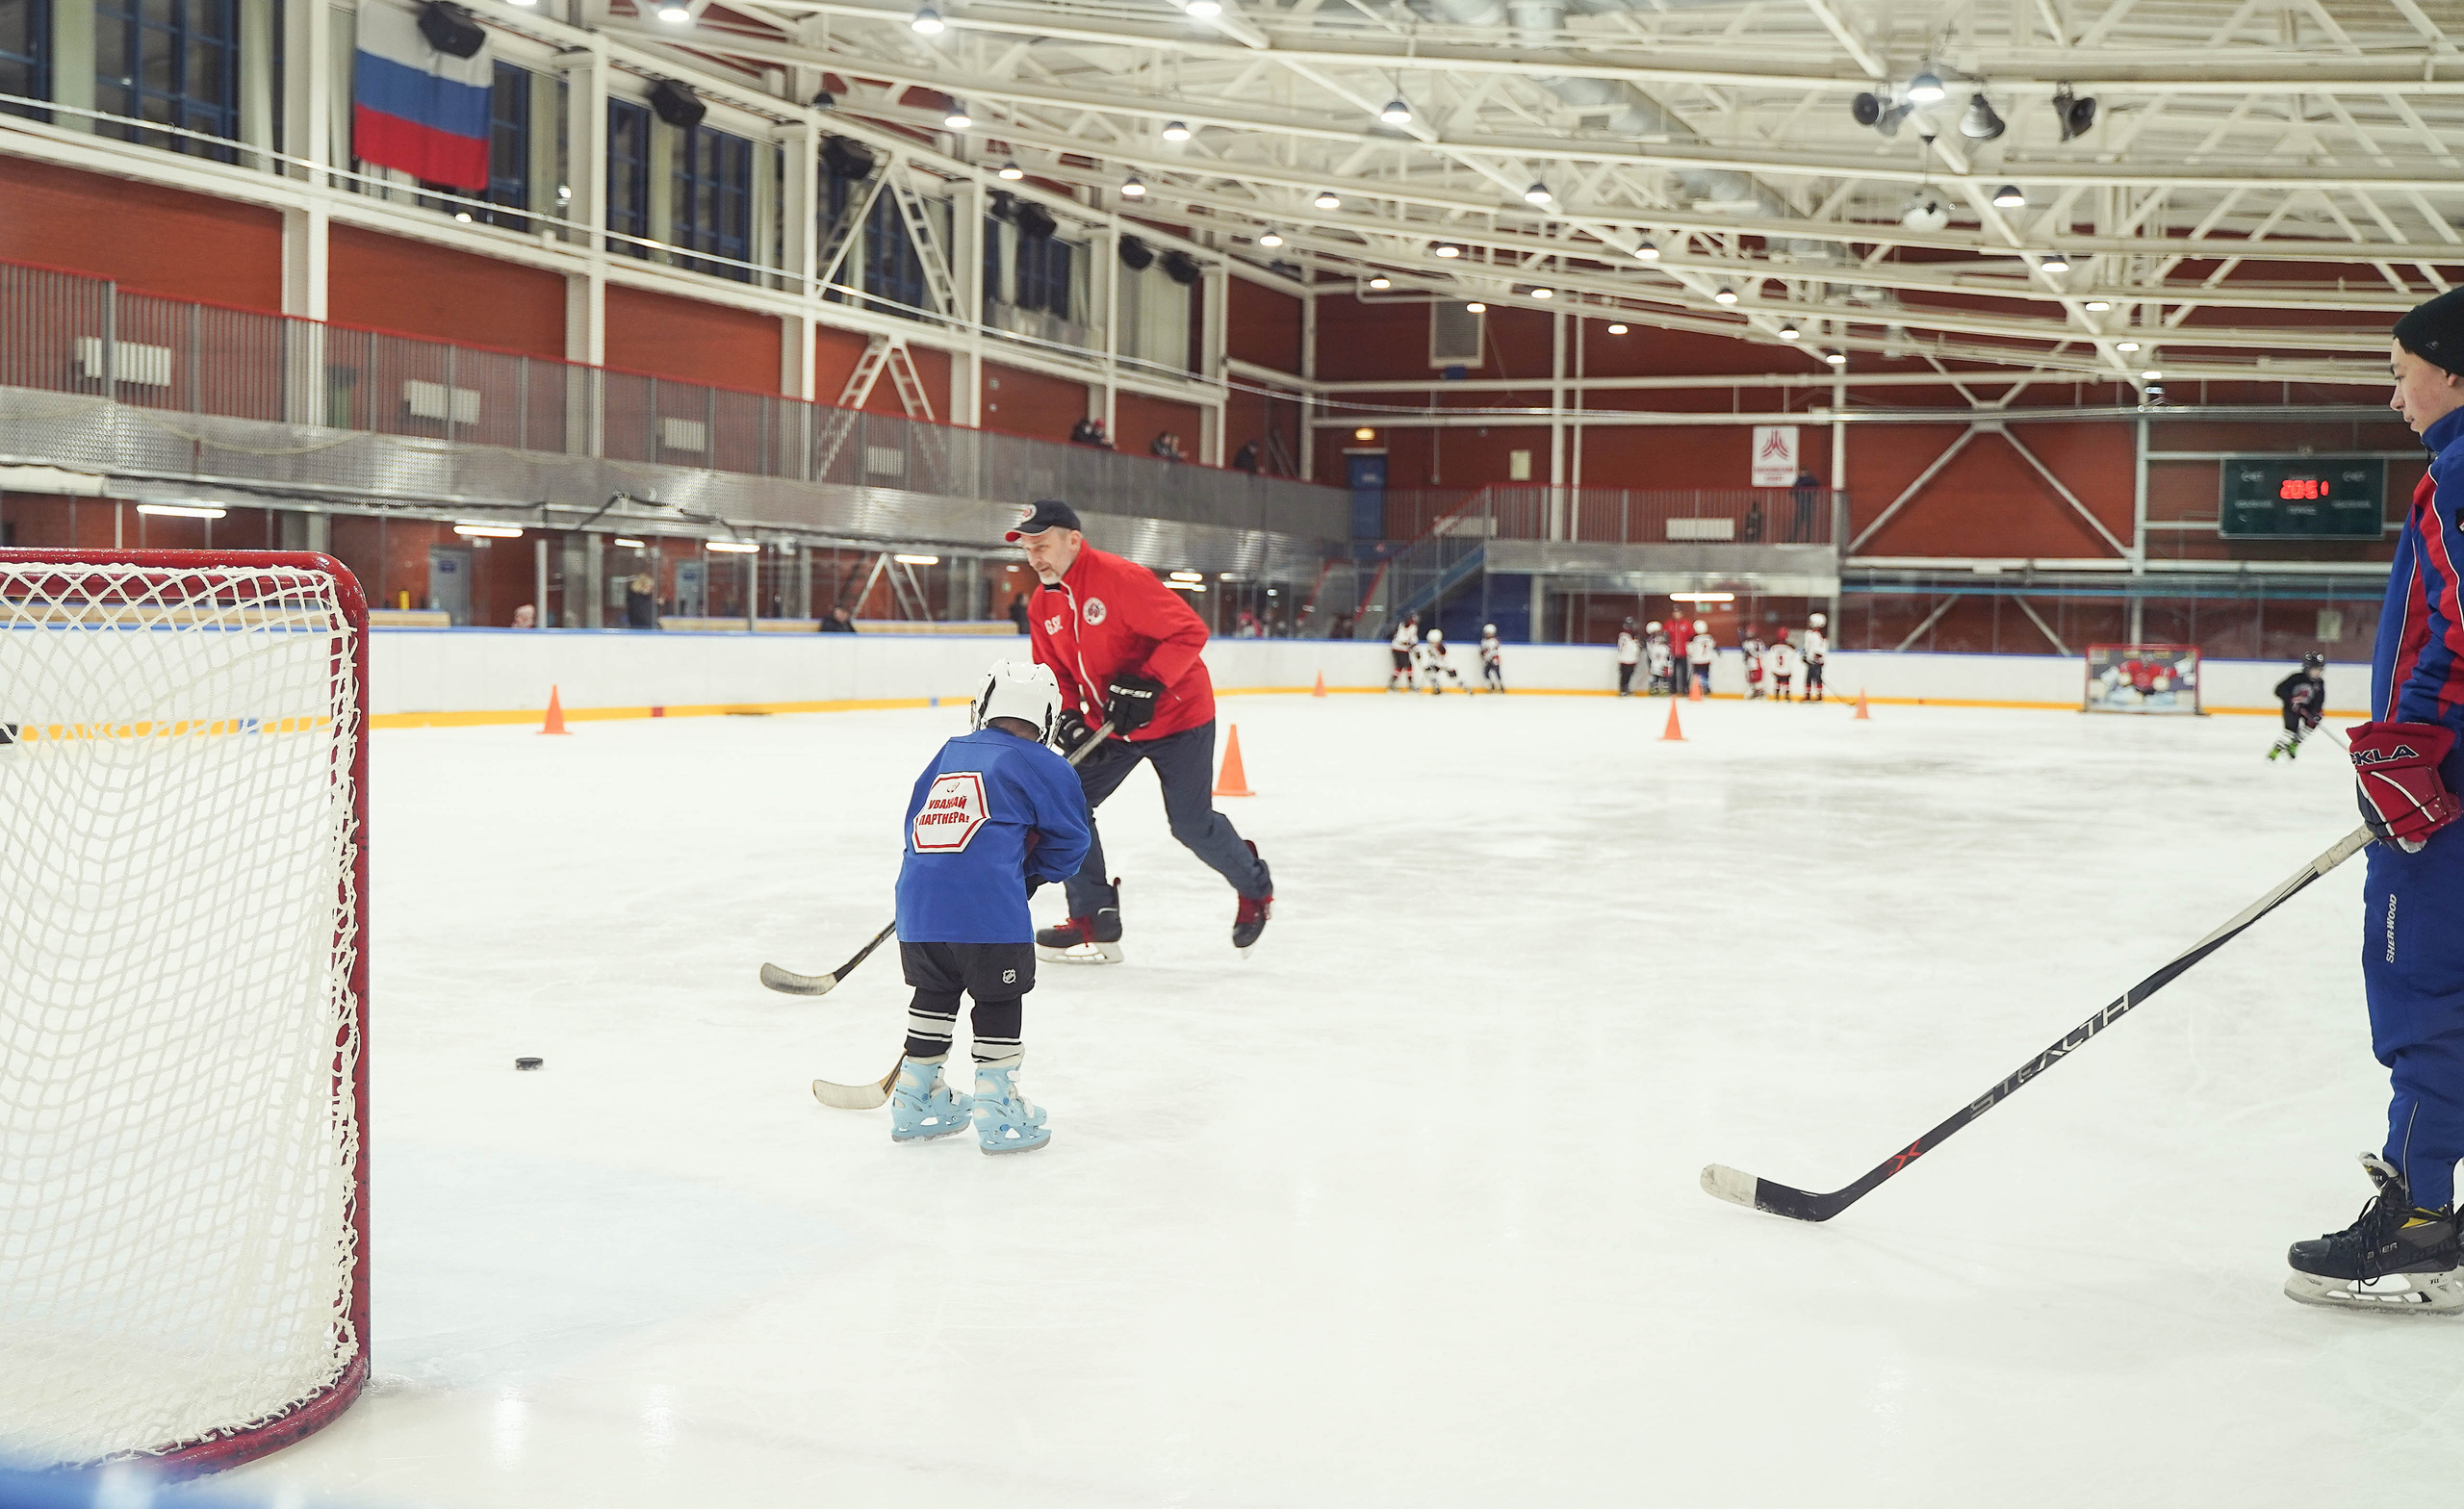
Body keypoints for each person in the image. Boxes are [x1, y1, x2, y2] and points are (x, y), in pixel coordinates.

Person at [2280, 289, 2464, 1312]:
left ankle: (2422, 1220)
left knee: (2422, 987)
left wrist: (2416, 751)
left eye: (2401, 371)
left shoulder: (2461, 472)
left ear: (2452, 369)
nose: (2394, 395)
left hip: (2444, 786)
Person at [1006, 499, 1275, 961]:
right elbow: (1054, 671)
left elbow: (1189, 632)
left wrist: (1149, 683)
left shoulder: (1119, 579)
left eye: (1043, 545)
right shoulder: (1041, 604)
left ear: (1073, 540)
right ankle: (1094, 916)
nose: (1036, 558)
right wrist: (1069, 716)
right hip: (1111, 723)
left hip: (1178, 717)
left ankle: (1255, 887)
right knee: (1065, 805)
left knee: (1191, 824)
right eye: (1029, 548)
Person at [888, 660, 1091, 1156]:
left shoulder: (949, 752)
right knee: (997, 998)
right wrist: (1027, 875)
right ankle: (996, 1107)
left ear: (982, 704)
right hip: (989, 915)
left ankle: (914, 1096)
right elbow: (1071, 843)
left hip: (918, 909)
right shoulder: (1047, 765)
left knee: (934, 993)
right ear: (1047, 715)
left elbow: (916, 821)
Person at [2270, 652, 2327, 760]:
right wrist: (2290, 700)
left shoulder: (2319, 683)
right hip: (2291, 710)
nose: (2317, 672)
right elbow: (2279, 689)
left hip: (2306, 709)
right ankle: (2276, 750)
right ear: (2307, 668)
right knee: (2291, 731)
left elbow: (2319, 700)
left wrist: (2315, 712)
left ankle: (2294, 744)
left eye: (2319, 669)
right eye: (2314, 669)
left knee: (2312, 723)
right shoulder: (2296, 678)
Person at [1418, 627, 1464, 694]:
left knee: (1454, 678)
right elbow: (1433, 656)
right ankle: (1437, 687)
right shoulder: (1431, 647)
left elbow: (1442, 654)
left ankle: (1465, 687)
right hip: (1438, 664)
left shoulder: (1441, 646)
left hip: (1447, 664)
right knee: (1430, 673)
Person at [1802, 611, 1830, 702]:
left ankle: (1819, 694)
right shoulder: (1809, 634)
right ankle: (1808, 694)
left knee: (1817, 678)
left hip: (1817, 661)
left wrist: (1818, 657)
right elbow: (1807, 647)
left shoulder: (1821, 636)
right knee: (1808, 678)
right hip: (1811, 660)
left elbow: (1822, 649)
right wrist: (1805, 656)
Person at [1788, 469, 1822, 543]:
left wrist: (1797, 496)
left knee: (1797, 523)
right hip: (1808, 505)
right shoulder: (1812, 480)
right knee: (1808, 524)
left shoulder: (1801, 480)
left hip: (1802, 505)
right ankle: (1807, 539)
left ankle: (1792, 539)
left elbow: (1792, 491)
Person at [1389, 614, 1421, 691]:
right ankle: (1410, 684)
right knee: (1407, 665)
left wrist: (1416, 650)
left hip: (1404, 649)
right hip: (1397, 648)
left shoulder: (1413, 628)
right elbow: (1400, 639)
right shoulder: (1401, 626)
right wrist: (1409, 644)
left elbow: (1413, 640)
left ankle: (1392, 683)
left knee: (1401, 666)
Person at [1766, 629, 1799, 701]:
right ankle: (1786, 695)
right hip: (1786, 669)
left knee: (1778, 681)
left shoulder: (1773, 646)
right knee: (1786, 682)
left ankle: (1777, 695)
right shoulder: (1790, 647)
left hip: (1777, 668)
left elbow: (1770, 653)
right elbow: (1794, 654)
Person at [1686, 619, 1716, 695]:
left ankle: (1698, 688)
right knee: (1706, 674)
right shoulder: (1709, 638)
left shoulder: (1694, 639)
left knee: (1697, 675)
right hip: (1706, 659)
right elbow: (1713, 645)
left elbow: (1690, 649)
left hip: (1697, 660)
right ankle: (1706, 687)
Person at [1644, 623, 1674, 696]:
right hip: (1657, 660)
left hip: (1661, 660)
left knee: (1664, 675)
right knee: (1656, 675)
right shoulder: (1651, 641)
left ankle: (1662, 689)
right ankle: (1655, 688)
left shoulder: (1654, 640)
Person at [1615, 618, 1640, 697]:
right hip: (1625, 659)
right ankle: (1623, 689)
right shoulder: (1624, 637)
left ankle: (1626, 688)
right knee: (1625, 675)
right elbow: (1622, 648)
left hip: (1631, 659)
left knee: (1629, 675)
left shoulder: (1630, 637)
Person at [1741, 627, 1767, 700]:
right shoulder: (1760, 642)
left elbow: (1749, 653)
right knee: (1754, 678)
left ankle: (1757, 692)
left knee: (1754, 678)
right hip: (1758, 661)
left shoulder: (1748, 643)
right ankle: (1757, 692)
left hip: (1753, 662)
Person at [1479, 623, 1505, 693]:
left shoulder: (1494, 641)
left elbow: (1495, 651)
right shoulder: (1483, 641)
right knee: (1486, 673)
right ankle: (1491, 686)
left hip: (1494, 659)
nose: (1488, 635)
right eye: (1487, 633)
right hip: (1487, 660)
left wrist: (1492, 658)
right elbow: (1482, 651)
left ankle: (1501, 686)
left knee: (1497, 673)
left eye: (1489, 633)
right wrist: (1484, 658)